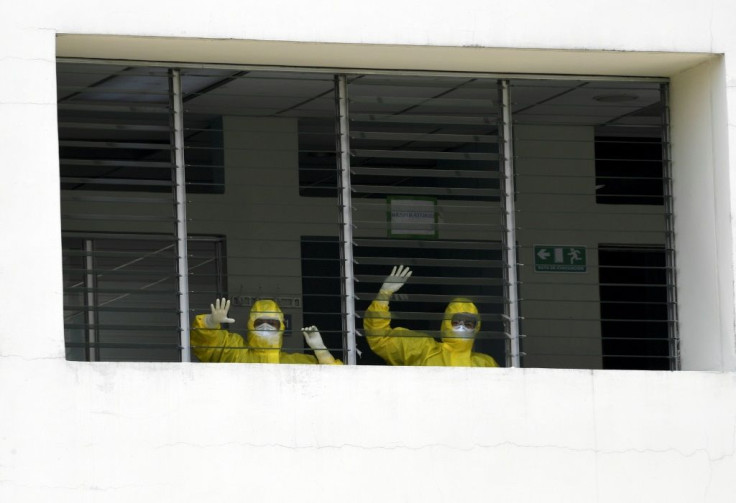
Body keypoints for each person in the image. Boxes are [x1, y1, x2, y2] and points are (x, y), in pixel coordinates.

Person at [363, 265, 499, 367]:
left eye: (468, 323)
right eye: (456, 322)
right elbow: (381, 338)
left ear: (477, 328)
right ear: (446, 323)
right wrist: (384, 295)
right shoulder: (424, 350)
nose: (462, 327)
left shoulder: (485, 364)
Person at [191, 298, 341, 364]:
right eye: (260, 322)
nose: (265, 326)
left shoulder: (297, 362)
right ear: (250, 325)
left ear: (281, 327)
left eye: (271, 322)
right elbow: (206, 345)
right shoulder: (234, 351)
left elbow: (335, 382)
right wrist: (210, 322)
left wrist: (321, 351)